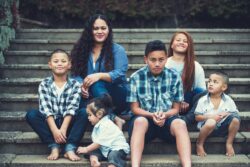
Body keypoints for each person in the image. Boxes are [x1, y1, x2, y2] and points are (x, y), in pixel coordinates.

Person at [127, 40, 191, 167]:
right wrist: (152, 116)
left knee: (181, 123)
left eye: (161, 59)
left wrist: (164, 115)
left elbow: (176, 109)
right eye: (153, 60)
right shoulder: (136, 77)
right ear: (146, 59)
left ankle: (187, 165)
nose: (157, 64)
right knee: (140, 121)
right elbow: (134, 109)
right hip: (144, 123)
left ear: (166, 58)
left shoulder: (174, 76)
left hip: (167, 121)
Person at [26, 49, 87, 161]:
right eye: (56, 61)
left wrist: (63, 129)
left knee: (83, 112)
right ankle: (54, 146)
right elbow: (46, 110)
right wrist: (55, 131)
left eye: (63, 61)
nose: (59, 64)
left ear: (69, 65)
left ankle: (70, 147)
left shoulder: (75, 84)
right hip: (50, 124)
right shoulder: (44, 84)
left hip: (68, 125)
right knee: (32, 115)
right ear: (50, 65)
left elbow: (71, 108)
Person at [71, 13, 129, 129]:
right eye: (95, 28)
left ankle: (110, 115)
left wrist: (99, 75)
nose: (100, 31)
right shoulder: (80, 50)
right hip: (92, 96)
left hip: (117, 96)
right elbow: (75, 74)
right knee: (81, 106)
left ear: (109, 30)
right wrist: (82, 85)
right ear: (89, 31)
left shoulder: (118, 50)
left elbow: (120, 74)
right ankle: (114, 118)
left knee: (97, 83)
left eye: (103, 28)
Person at [195, 71, 240, 157]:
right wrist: (211, 117)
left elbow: (235, 113)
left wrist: (226, 114)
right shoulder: (202, 100)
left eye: (215, 82)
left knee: (235, 119)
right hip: (207, 129)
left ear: (224, 87)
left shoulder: (228, 100)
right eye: (209, 81)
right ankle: (199, 144)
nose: (211, 84)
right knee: (211, 122)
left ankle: (229, 143)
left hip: (223, 128)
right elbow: (197, 117)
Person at [77, 94, 130, 167]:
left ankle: (113, 165)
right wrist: (89, 150)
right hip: (106, 149)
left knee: (113, 155)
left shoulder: (106, 125)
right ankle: (94, 161)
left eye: (89, 115)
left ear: (99, 114)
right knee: (93, 151)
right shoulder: (99, 124)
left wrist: (86, 149)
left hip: (118, 148)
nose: (88, 118)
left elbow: (99, 143)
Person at [166, 31, 206, 125]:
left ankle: (187, 119)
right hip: (169, 101)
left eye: (185, 41)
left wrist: (185, 101)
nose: (181, 42)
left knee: (202, 92)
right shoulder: (165, 63)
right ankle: (173, 116)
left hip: (188, 103)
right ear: (172, 45)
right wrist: (177, 102)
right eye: (178, 40)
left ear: (189, 46)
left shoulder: (195, 66)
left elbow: (202, 92)